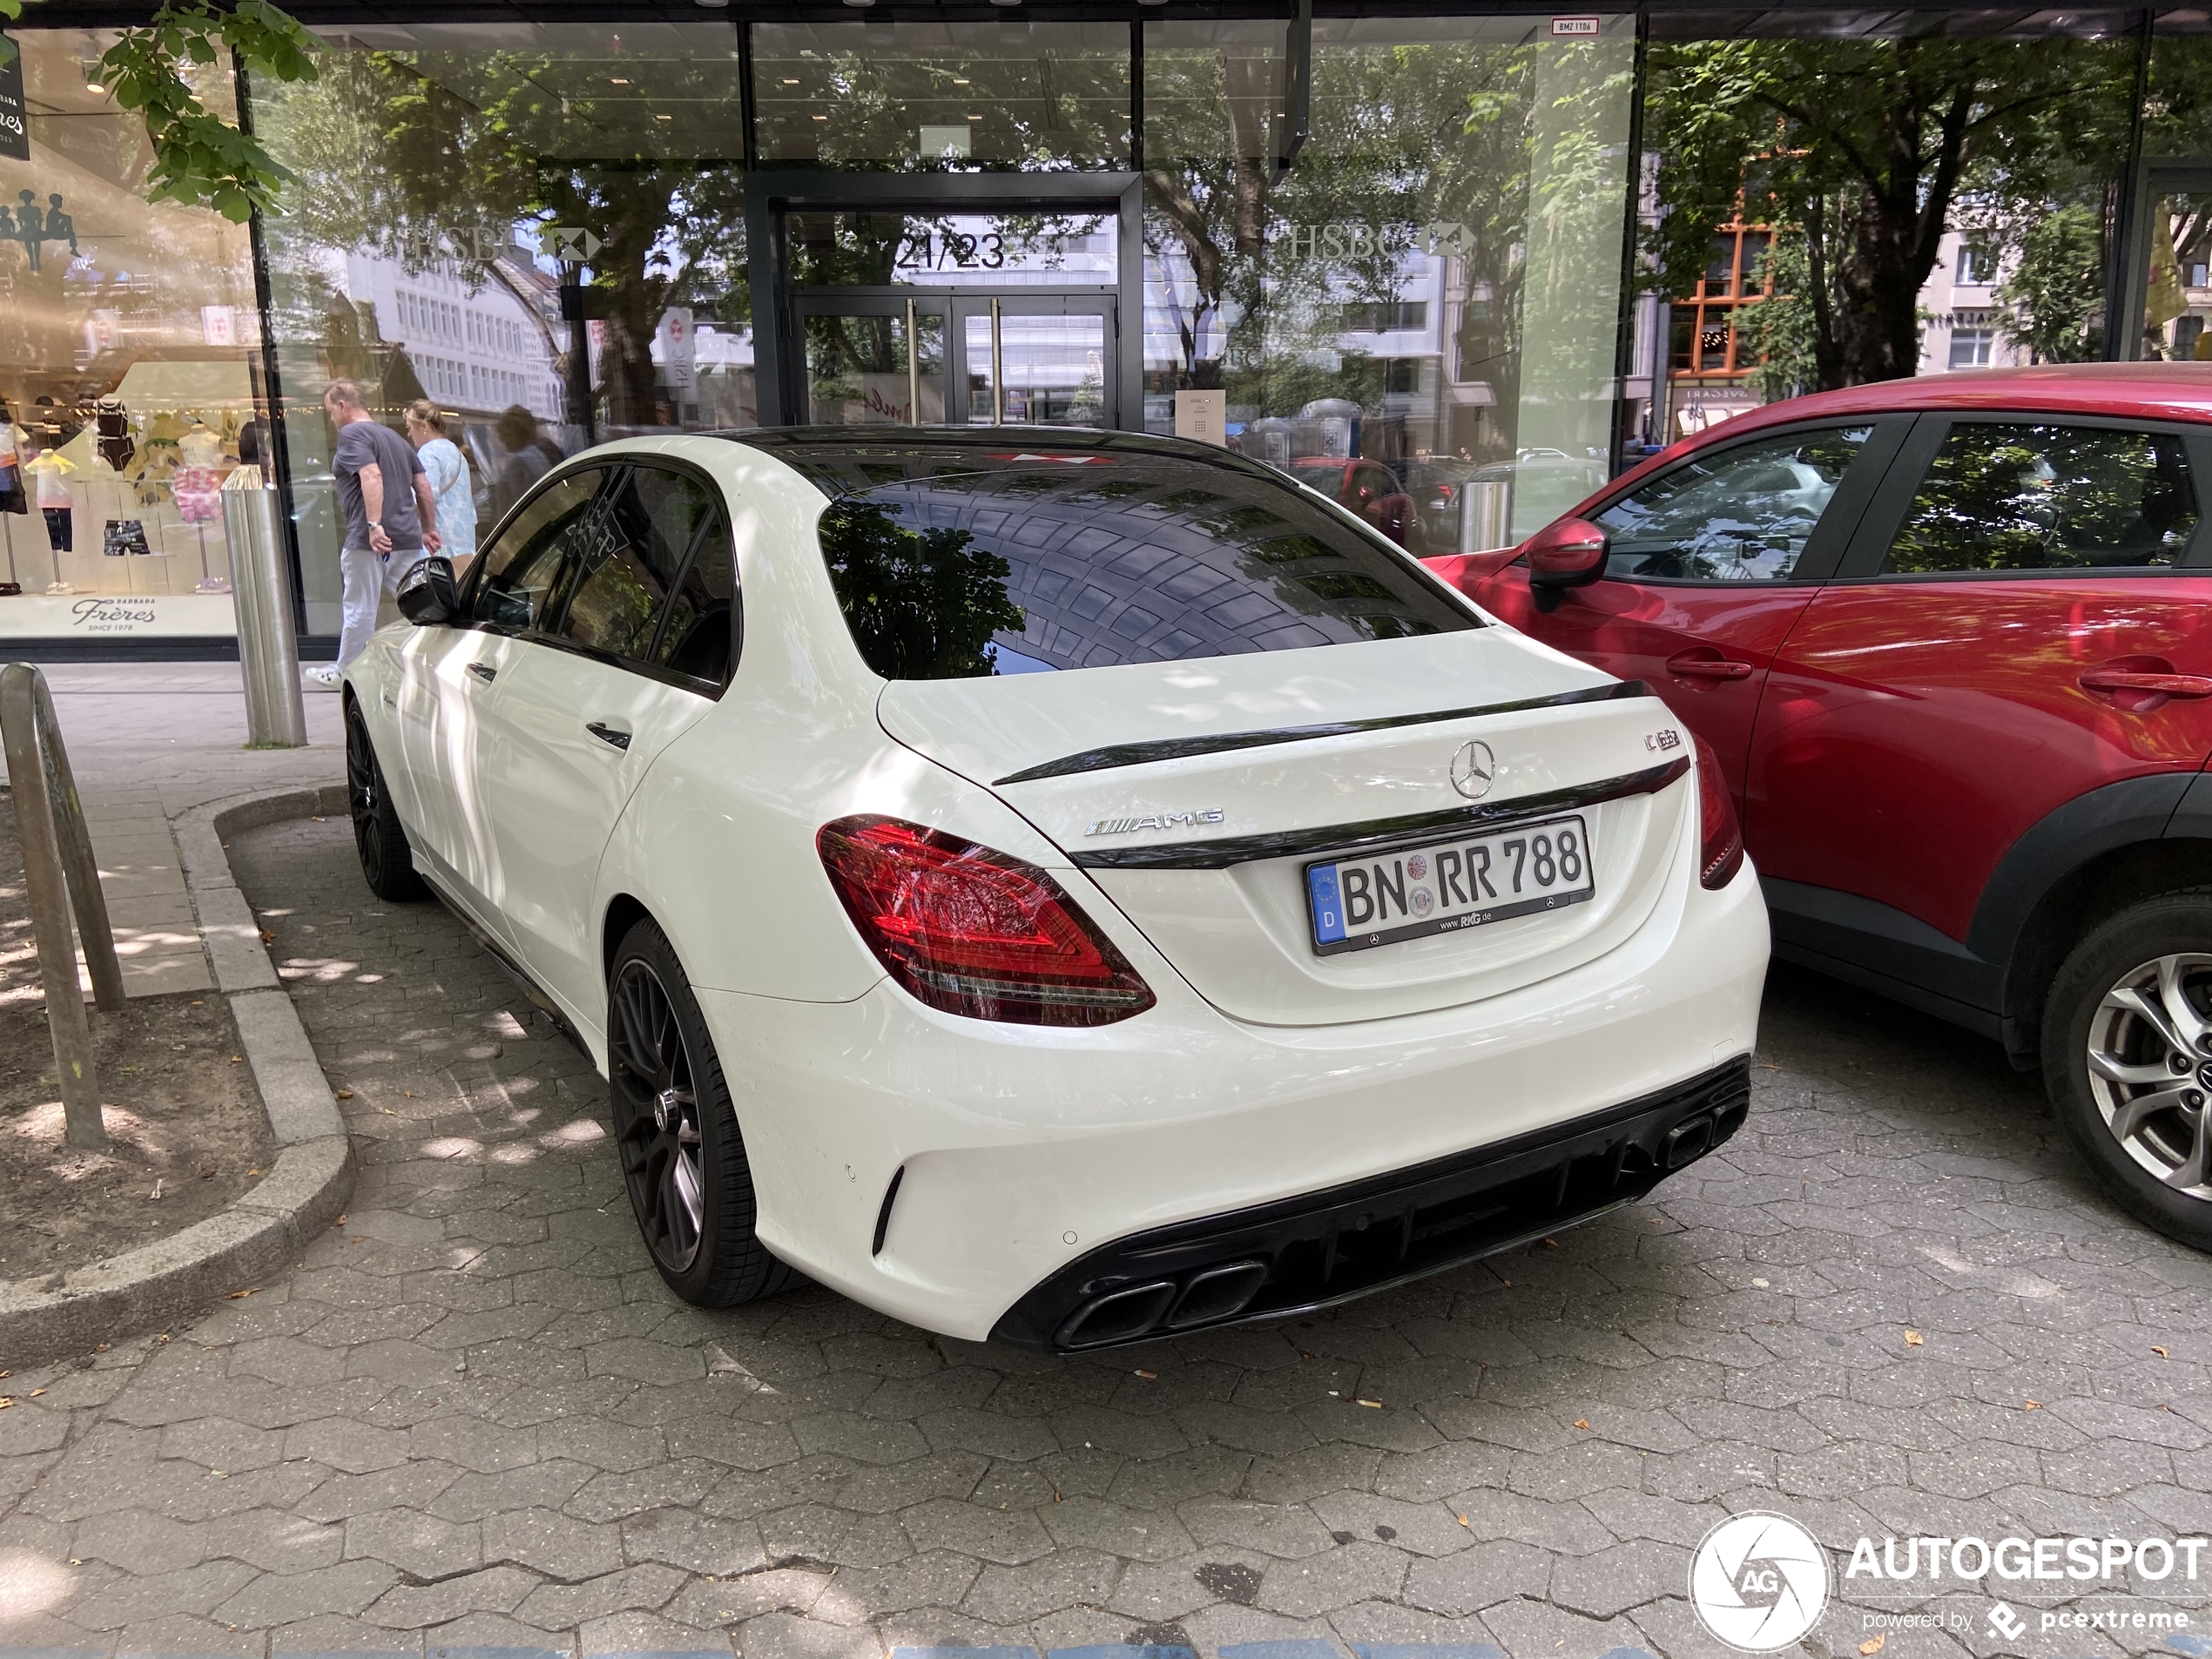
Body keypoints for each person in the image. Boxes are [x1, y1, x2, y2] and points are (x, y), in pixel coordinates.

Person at [307, 380, 438, 691]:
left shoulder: (353, 434)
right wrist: (429, 529)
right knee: (419, 606)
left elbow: (371, 474)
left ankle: (346, 673)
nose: (331, 419)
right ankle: (434, 664)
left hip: (369, 542)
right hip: (407, 538)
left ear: (342, 405)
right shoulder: (395, 438)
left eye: (330, 411)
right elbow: (423, 486)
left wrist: (374, 525)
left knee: (360, 608)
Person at [405, 398, 475, 569]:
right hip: (464, 541)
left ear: (424, 426)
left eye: (410, 428)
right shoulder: (456, 452)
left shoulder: (428, 452)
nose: (409, 434)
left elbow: (424, 494)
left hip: (440, 543)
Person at [487, 404, 550, 524]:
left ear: (517, 434)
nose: (502, 439)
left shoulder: (519, 462)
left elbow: (514, 507)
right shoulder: (538, 455)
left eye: (506, 434)